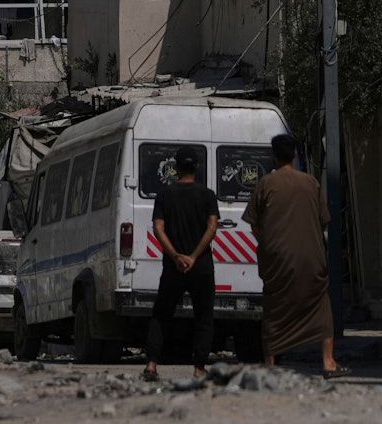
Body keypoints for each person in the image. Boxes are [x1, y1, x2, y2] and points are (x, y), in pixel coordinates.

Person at [243, 134, 347, 377]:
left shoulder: (265, 184)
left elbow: (255, 224)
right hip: (310, 258)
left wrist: (269, 244)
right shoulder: (310, 182)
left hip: (277, 259)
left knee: (274, 310)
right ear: (296, 154)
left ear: (274, 157)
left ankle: (270, 365)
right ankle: (328, 361)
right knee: (321, 306)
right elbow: (323, 220)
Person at [142, 145, 219, 381]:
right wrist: (194, 256)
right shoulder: (207, 195)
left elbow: (158, 227)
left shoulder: (165, 195)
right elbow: (212, 226)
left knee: (161, 314)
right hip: (201, 266)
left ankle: (152, 365)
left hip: (173, 268)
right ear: (197, 166)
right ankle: (198, 368)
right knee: (203, 317)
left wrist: (176, 256)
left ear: (175, 168)